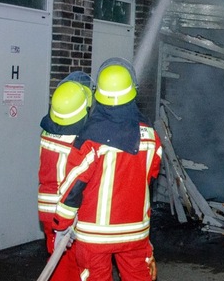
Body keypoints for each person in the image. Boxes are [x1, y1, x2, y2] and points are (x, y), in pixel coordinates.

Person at [53, 58, 162, 281]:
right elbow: (151, 175)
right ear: (133, 92)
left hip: (94, 236)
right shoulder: (150, 136)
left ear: (98, 95)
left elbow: (72, 185)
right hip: (135, 233)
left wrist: (61, 225)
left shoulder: (90, 139)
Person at [37, 71, 93, 281]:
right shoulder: (78, 141)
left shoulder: (48, 130)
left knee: (60, 265)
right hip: (66, 212)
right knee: (74, 269)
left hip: (48, 211)